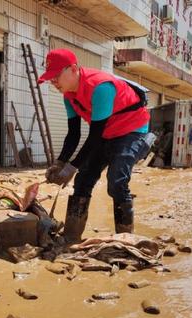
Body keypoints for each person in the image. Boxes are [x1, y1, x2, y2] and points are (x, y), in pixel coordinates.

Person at [40, 49, 151, 241]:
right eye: (50, 78)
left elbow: (94, 137)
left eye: (57, 76)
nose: (54, 82)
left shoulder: (100, 87)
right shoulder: (68, 96)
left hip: (131, 131)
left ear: (73, 69)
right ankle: (71, 237)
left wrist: (72, 167)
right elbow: (73, 134)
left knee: (117, 181)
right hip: (106, 133)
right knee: (83, 181)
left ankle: (125, 240)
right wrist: (60, 163)